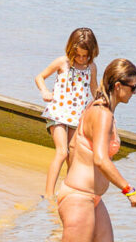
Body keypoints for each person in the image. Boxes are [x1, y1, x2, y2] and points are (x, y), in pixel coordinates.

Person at [57, 58, 136, 242]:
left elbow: (74, 146)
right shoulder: (102, 114)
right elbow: (101, 159)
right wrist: (129, 191)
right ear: (118, 86)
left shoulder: (98, 108)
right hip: (79, 196)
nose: (135, 92)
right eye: (133, 87)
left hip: (92, 197)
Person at [35, 28, 99, 203]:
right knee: (62, 152)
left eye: (85, 56)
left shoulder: (91, 67)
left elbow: (93, 88)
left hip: (77, 116)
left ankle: (69, 190)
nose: (81, 59)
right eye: (78, 55)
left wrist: (101, 103)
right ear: (71, 49)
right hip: (57, 112)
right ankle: (48, 194)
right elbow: (40, 77)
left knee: (73, 155)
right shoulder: (62, 62)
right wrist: (44, 91)